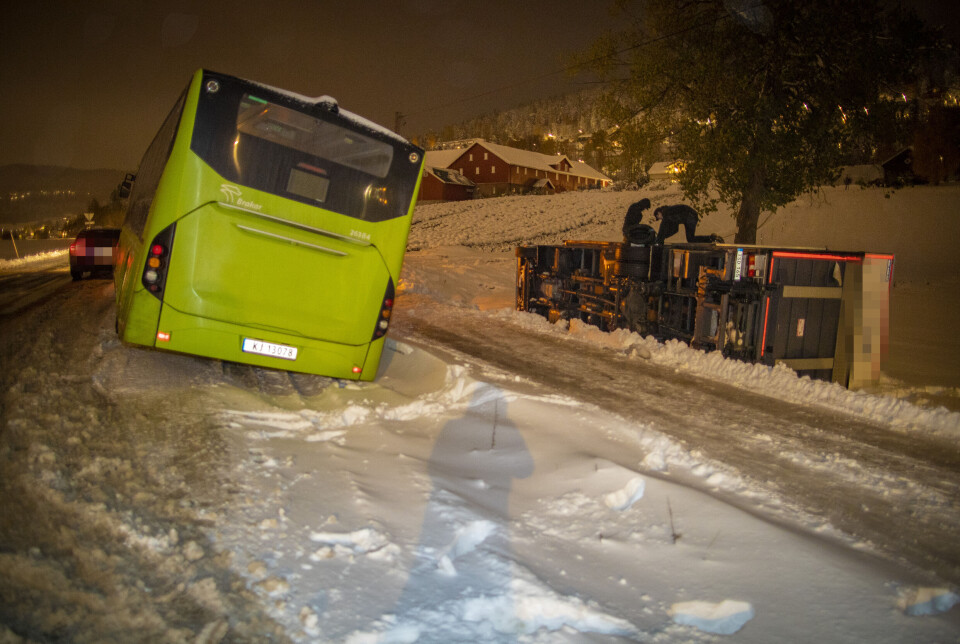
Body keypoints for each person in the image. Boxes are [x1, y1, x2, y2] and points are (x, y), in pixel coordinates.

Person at [653, 204, 722, 244]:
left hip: (690, 216)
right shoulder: (671, 215)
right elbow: (675, 229)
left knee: (690, 239)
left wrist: (658, 239)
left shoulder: (666, 211)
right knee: (690, 239)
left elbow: (663, 226)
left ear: (659, 213)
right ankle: (711, 238)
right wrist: (664, 237)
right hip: (690, 217)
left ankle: (711, 238)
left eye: (658, 217)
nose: (660, 219)